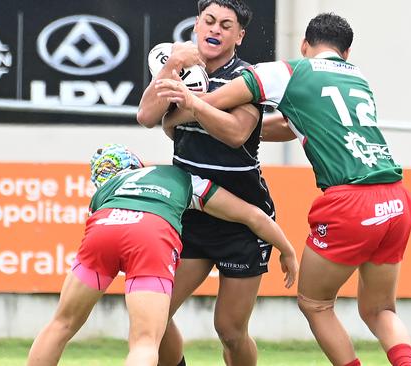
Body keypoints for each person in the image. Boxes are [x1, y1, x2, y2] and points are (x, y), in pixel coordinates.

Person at [156, 12, 411, 366]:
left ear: (304, 45)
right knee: (380, 309)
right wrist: (249, 127)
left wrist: (178, 112)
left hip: (350, 198)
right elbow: (284, 125)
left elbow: (214, 103)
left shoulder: (289, 71)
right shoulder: (358, 79)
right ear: (347, 52)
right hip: (396, 199)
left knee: (316, 304)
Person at [26, 144, 297, 366]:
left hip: (103, 227)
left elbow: (113, 229)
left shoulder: (104, 191)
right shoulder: (178, 176)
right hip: (150, 234)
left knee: (61, 324)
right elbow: (251, 214)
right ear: (138, 164)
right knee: (145, 342)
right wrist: (286, 249)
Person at [137, 1, 277, 365]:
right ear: (197, 24)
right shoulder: (179, 68)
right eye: (209, 21)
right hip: (191, 212)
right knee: (155, 315)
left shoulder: (247, 77)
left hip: (242, 219)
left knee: (229, 330)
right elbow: (146, 116)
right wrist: (171, 67)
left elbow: (236, 133)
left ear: (239, 36)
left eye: (226, 25)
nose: (215, 30)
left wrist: (190, 106)